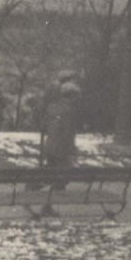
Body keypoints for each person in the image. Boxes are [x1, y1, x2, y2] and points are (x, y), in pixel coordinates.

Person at [39, 72, 81, 214]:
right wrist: (72, 152)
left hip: (50, 147)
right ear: (72, 96)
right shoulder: (70, 111)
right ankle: (45, 204)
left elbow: (43, 127)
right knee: (62, 178)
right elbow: (68, 135)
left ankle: (41, 196)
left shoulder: (52, 107)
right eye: (76, 96)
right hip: (62, 150)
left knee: (53, 176)